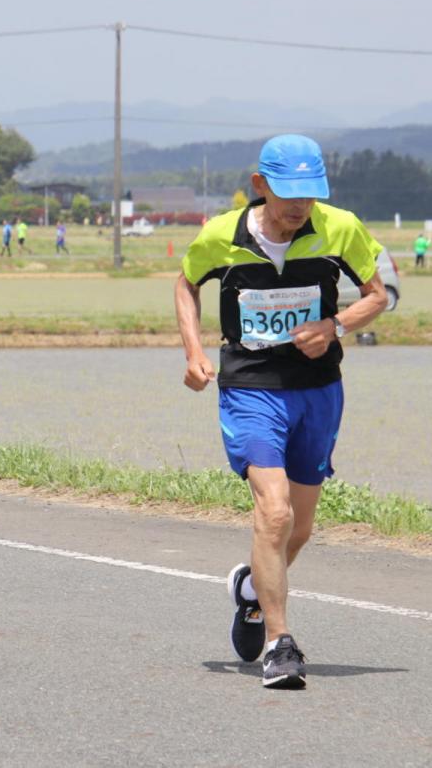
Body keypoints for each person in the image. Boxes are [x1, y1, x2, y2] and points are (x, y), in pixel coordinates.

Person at [174, 134, 387, 689]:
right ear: (261, 186)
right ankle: (279, 644)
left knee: (300, 523)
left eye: (310, 194)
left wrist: (335, 325)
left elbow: (377, 294)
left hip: (317, 388)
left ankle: (250, 592)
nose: (299, 206)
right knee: (273, 513)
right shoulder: (222, 235)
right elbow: (186, 284)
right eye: (289, 193)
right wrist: (195, 352)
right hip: (249, 387)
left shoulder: (340, 227)